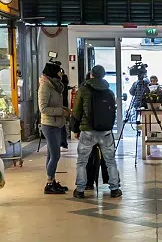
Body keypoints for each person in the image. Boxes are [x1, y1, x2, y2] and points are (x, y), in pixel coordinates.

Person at [71, 65, 122, 199]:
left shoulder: (83, 90)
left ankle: (80, 190)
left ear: (91, 75)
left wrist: (75, 129)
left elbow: (76, 112)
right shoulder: (109, 92)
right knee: (110, 160)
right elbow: (113, 111)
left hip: (87, 131)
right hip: (105, 131)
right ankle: (115, 189)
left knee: (82, 161)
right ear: (103, 75)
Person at [38, 60, 69, 195]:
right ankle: (49, 183)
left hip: (57, 123)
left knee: (51, 155)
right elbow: (43, 108)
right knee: (55, 156)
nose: (61, 73)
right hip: (49, 125)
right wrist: (61, 111)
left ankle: (52, 180)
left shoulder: (56, 86)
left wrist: (64, 110)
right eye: (59, 71)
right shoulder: (45, 87)